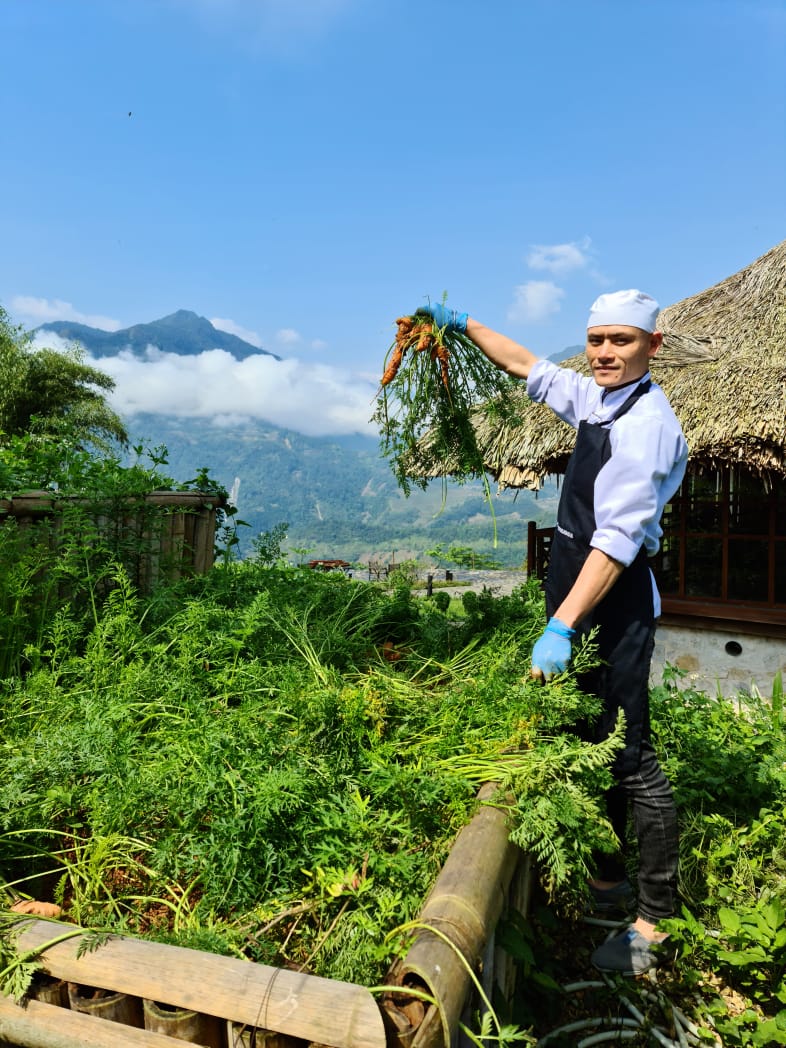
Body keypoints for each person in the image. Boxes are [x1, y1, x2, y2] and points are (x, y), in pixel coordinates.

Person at [419, 291, 688, 975]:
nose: (604, 352)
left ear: (652, 346)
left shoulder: (645, 427)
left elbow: (618, 540)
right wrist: (462, 324)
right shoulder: (599, 399)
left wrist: (560, 627)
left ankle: (654, 923)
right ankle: (605, 878)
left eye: (621, 341)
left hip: (613, 596)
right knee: (581, 733)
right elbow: (527, 365)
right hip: (574, 590)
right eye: (596, 339)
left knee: (628, 752)